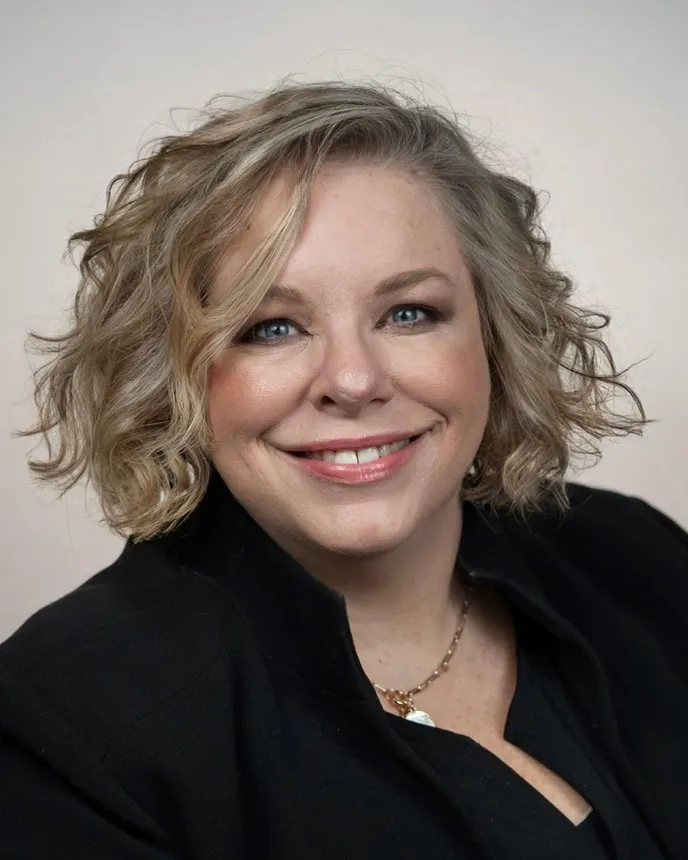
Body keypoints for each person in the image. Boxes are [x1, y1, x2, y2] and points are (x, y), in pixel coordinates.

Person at [1, 79, 686, 860]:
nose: (354, 380)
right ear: (176, 374)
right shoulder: (75, 721)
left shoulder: (635, 557)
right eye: (271, 326)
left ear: (495, 336)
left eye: (408, 314)